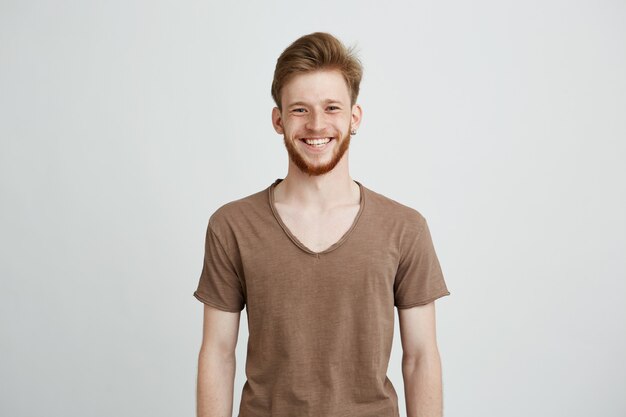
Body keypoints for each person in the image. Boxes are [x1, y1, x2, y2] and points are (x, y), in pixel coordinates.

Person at [193, 32, 451, 417]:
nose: (316, 125)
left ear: (354, 117)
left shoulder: (404, 228)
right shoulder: (232, 226)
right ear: (278, 120)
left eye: (332, 108)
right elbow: (217, 354)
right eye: (300, 110)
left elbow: (420, 358)